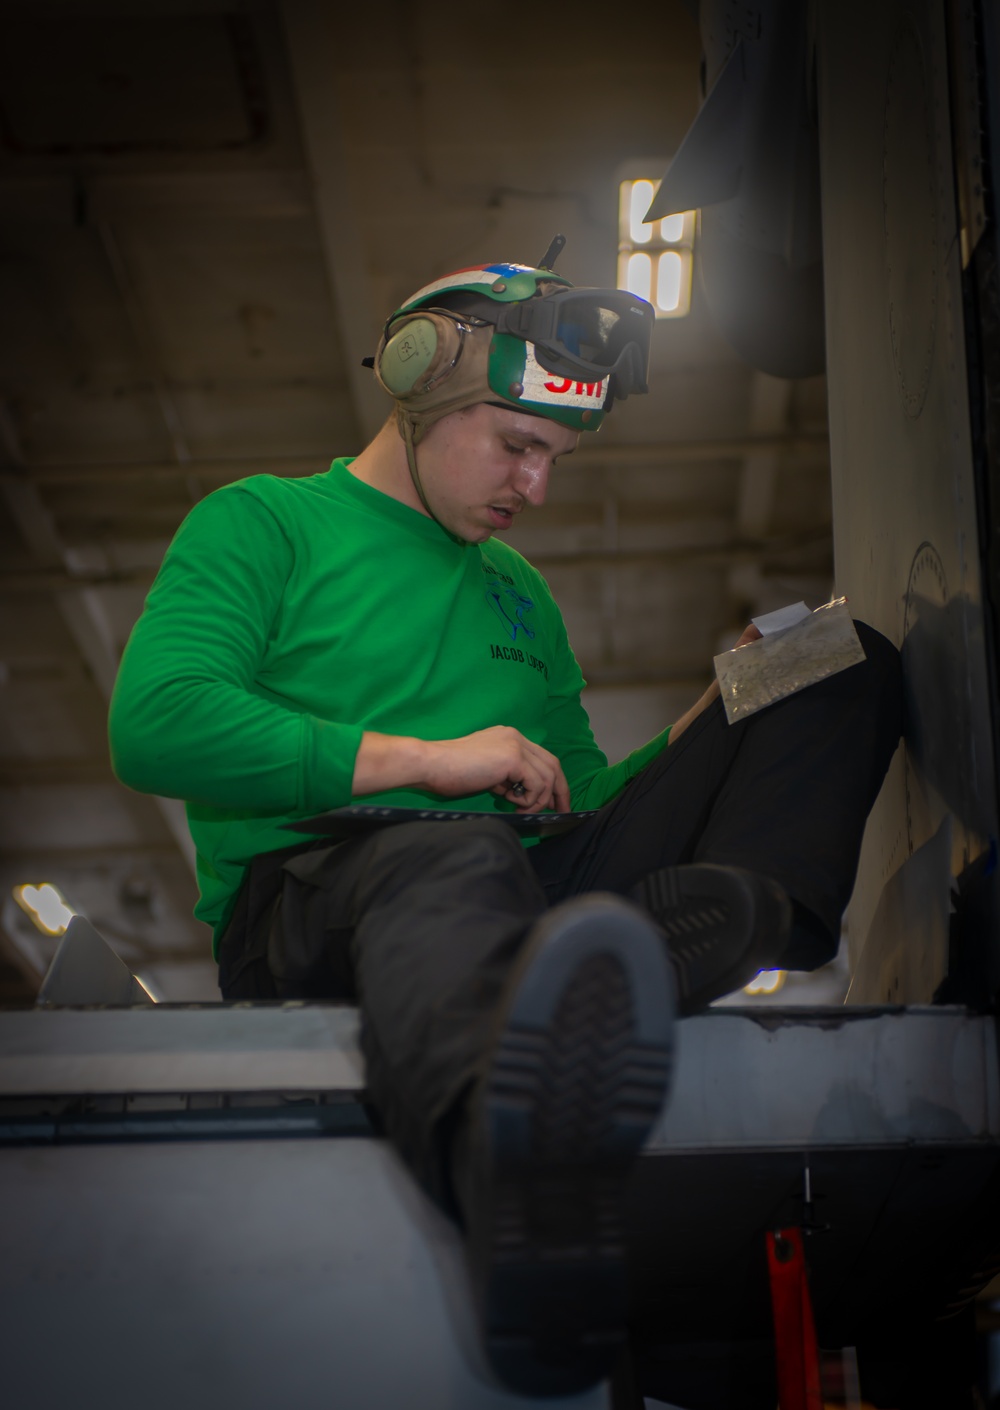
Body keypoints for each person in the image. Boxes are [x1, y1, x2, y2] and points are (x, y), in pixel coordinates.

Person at [109, 254, 902, 1398]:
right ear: (423, 384)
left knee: (831, 663)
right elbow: (156, 725)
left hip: (511, 887)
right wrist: (433, 763)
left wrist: (700, 724)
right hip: (316, 904)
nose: (534, 487)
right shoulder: (265, 522)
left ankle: (750, 916)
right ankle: (513, 1180)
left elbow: (575, 797)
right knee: (451, 843)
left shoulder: (517, 590)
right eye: (516, 446)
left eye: (557, 459)